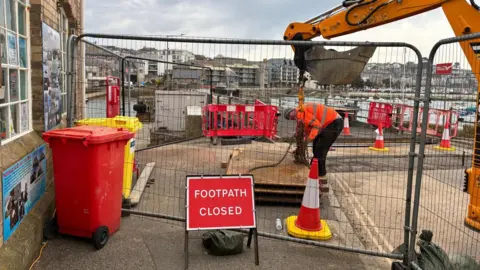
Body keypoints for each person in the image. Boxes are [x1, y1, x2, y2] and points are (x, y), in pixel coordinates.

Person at [284, 103, 344, 193]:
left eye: (290, 116)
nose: (292, 118)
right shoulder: (300, 114)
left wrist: (307, 141)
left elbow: (316, 125)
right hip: (329, 123)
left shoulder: (301, 113)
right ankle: (313, 169)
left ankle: (321, 174)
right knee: (316, 146)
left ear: (292, 111)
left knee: (320, 149)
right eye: (290, 118)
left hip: (334, 123)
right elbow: (304, 128)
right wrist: (299, 141)